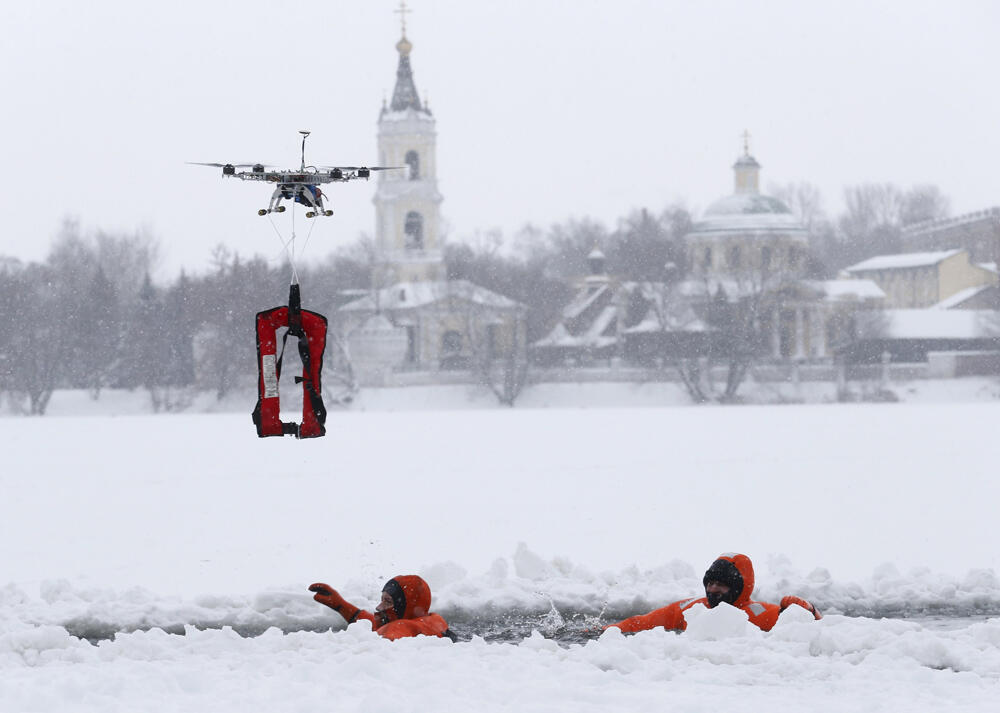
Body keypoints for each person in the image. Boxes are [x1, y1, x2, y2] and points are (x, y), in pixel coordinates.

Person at [607, 552, 821, 634]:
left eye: (721, 584)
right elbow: (641, 623)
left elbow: (819, 631)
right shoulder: (691, 608)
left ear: (738, 587)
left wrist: (810, 611)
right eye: (710, 583)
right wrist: (608, 631)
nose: (712, 590)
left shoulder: (760, 614)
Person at [309, 574, 457, 641]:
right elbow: (375, 624)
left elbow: (389, 634)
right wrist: (340, 605)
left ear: (406, 606)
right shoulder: (430, 622)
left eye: (388, 601)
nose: (380, 607)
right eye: (382, 599)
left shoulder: (401, 627)